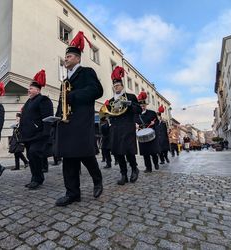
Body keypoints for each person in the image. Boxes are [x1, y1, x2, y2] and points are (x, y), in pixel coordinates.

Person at [54, 31, 103, 206]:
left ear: (77, 58)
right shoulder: (64, 80)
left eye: (68, 56)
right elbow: (62, 101)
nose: (65, 59)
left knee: (85, 154)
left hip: (82, 121)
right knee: (68, 158)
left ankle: (97, 180)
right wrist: (58, 117)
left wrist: (73, 95)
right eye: (65, 57)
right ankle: (72, 193)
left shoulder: (86, 72)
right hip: (67, 122)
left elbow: (97, 91)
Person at [105, 66, 142, 185]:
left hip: (127, 126)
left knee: (128, 150)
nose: (116, 88)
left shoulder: (130, 97)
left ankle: (134, 168)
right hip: (115, 128)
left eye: (118, 86)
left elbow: (139, 110)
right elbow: (109, 114)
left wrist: (130, 104)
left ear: (122, 86)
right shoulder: (111, 100)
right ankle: (123, 174)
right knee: (118, 152)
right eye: (114, 86)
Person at [19, 70, 54, 190]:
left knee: (34, 154)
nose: (28, 90)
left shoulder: (43, 99)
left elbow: (48, 117)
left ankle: (38, 179)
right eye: (28, 88)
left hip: (39, 135)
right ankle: (34, 178)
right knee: (30, 156)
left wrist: (46, 133)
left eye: (31, 88)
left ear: (38, 90)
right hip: (28, 136)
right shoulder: (28, 102)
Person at [135, 91, 160, 173]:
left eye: (143, 105)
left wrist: (154, 123)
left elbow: (157, 122)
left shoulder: (152, 113)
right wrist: (136, 126)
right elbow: (133, 123)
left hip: (151, 135)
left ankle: (156, 163)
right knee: (145, 153)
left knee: (153, 152)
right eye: (141, 106)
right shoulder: (136, 115)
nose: (142, 107)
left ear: (146, 105)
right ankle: (148, 168)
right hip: (142, 135)